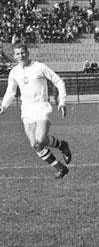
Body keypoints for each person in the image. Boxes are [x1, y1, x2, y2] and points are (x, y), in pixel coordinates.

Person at [0, 44, 71, 178]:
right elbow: (11, 91)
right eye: (18, 54)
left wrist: (62, 101)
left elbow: (59, 81)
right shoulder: (14, 72)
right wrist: (4, 106)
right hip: (26, 110)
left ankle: (62, 145)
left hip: (41, 107)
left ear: (28, 52)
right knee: (35, 144)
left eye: (23, 52)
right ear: (14, 56)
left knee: (40, 139)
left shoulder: (39, 67)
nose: (21, 56)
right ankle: (60, 167)